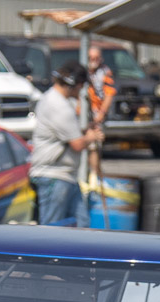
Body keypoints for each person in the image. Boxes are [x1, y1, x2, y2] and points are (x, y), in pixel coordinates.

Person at [29, 62, 103, 228]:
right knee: (52, 228)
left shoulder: (53, 99)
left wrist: (86, 131)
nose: (81, 91)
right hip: (54, 175)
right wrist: (92, 136)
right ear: (74, 84)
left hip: (65, 176)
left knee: (82, 224)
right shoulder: (59, 106)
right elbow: (77, 144)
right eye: (81, 86)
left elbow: (67, 134)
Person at [85, 46, 115, 180]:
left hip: (95, 114)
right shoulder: (83, 71)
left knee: (93, 146)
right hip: (81, 113)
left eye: (96, 58)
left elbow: (109, 94)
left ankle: (95, 176)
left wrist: (101, 113)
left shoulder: (105, 72)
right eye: (91, 58)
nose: (94, 61)